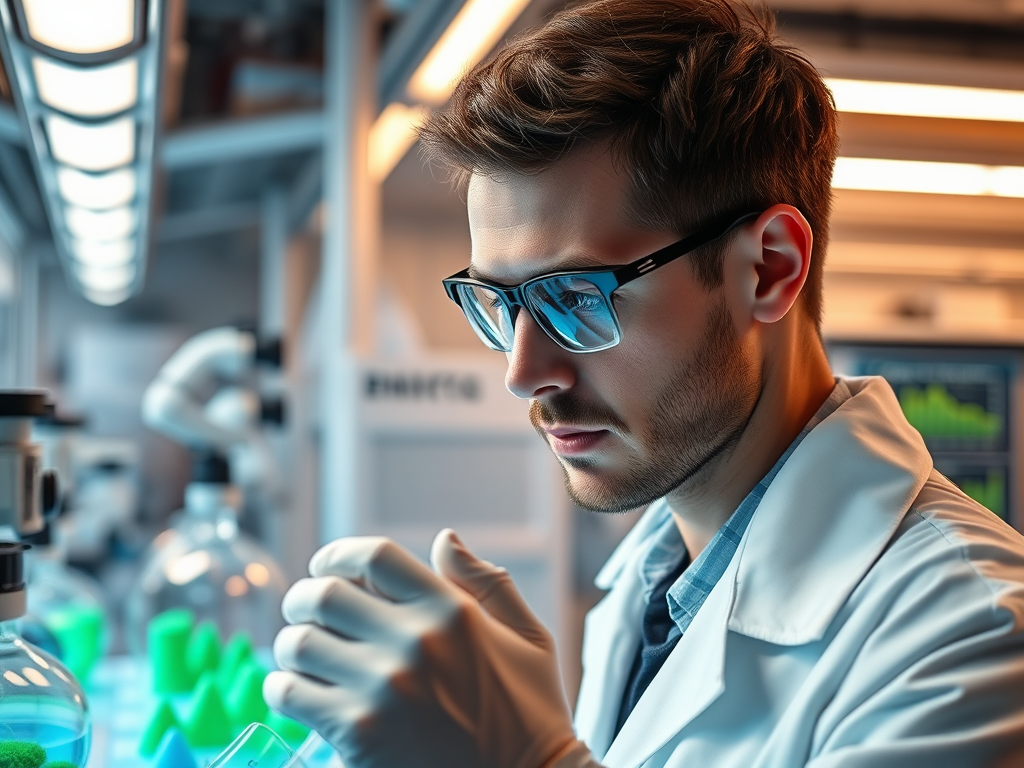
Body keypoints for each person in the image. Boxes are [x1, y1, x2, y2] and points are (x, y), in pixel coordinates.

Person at [263, 1, 1024, 766]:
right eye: (499, 304)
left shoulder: (969, 635)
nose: (523, 373)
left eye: (576, 298)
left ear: (769, 269)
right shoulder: (649, 592)